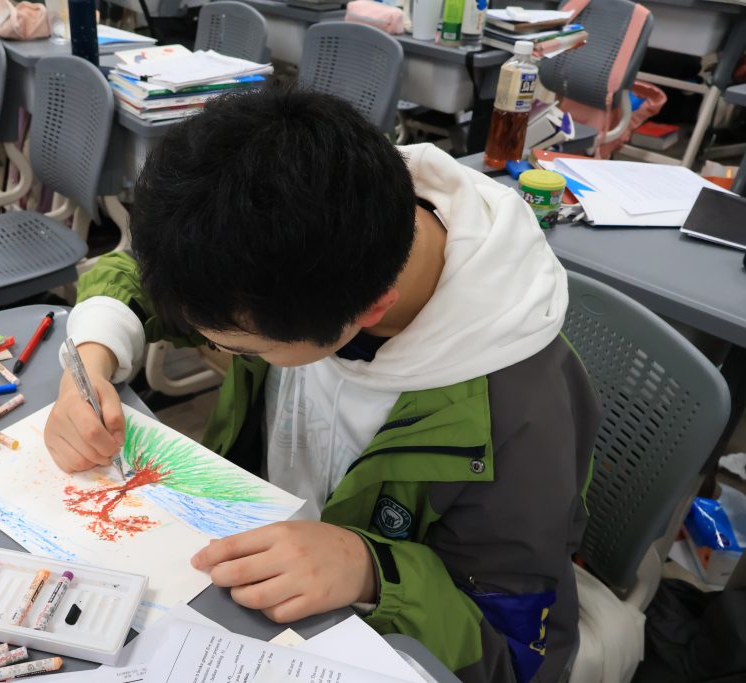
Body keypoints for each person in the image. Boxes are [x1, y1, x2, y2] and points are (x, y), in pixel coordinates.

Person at [44, 87, 601, 683]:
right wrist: (93, 358)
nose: (225, 355)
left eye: (242, 351)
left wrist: (371, 571)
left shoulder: (519, 417)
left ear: (370, 310)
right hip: (252, 557)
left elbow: (514, 656)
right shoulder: (317, 223)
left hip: (364, 631)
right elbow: (152, 272)